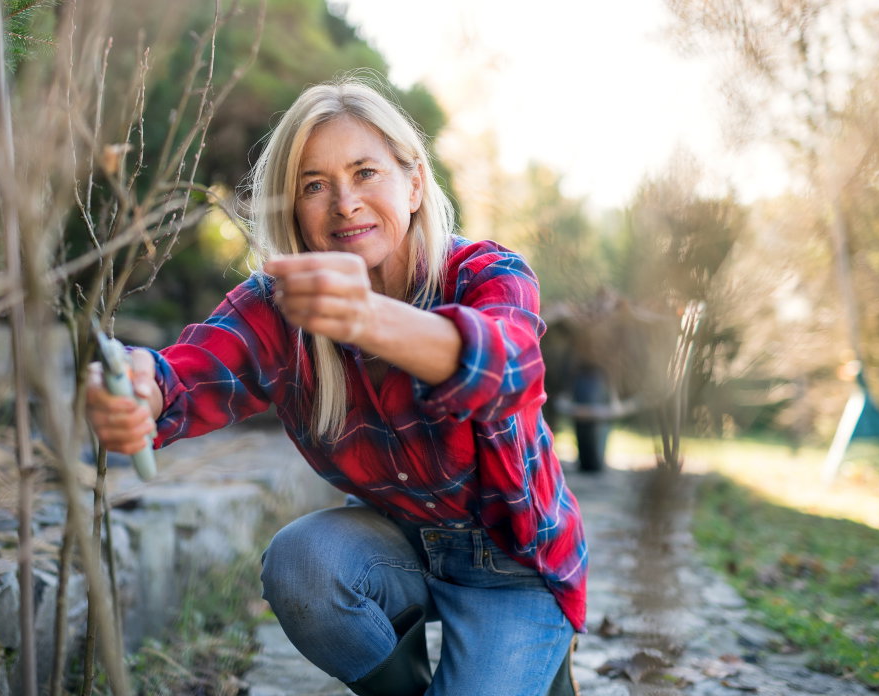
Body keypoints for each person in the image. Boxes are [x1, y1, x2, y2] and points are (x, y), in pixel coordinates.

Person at [86, 75, 587, 696]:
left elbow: (509, 369)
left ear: (414, 184)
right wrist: (140, 389)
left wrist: (368, 319)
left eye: (365, 173)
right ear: (293, 208)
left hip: (511, 562)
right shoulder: (282, 307)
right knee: (303, 564)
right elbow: (189, 372)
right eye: (314, 186)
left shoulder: (487, 272)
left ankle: (538, 661)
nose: (344, 203)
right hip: (396, 545)